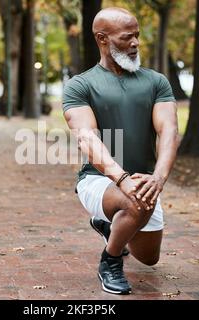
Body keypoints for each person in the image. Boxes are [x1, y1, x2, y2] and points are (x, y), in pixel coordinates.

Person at [63, 7, 179, 295]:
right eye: (128, 37)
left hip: (144, 181)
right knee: (134, 200)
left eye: (138, 36)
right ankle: (110, 260)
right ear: (103, 39)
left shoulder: (156, 81)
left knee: (149, 258)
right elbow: (87, 137)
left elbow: (169, 131)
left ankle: (108, 226)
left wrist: (159, 178)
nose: (136, 43)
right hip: (98, 180)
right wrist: (122, 178)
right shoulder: (81, 85)